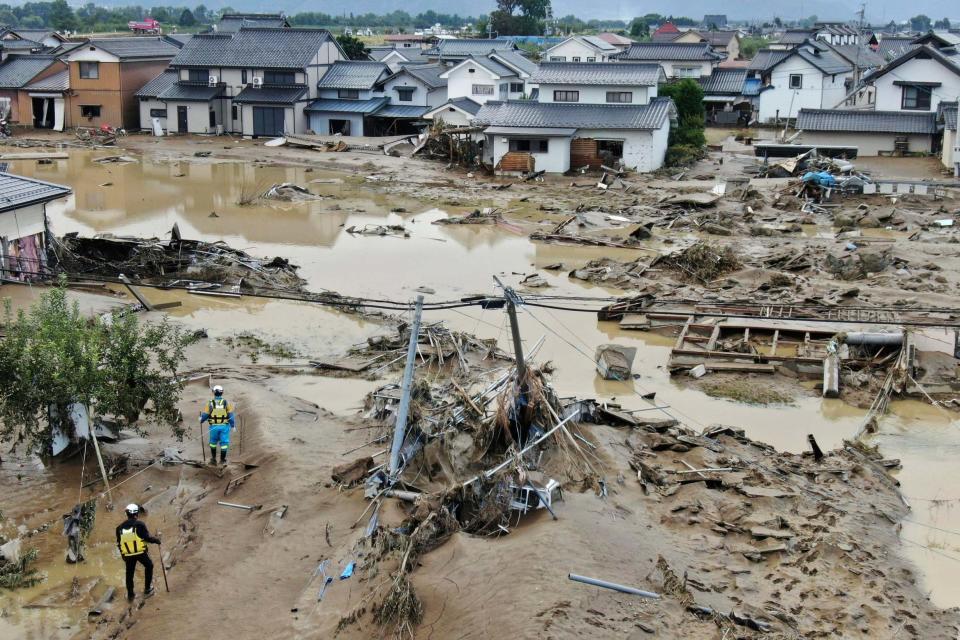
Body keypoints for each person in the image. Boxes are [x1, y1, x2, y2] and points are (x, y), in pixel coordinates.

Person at [116, 504, 161, 602]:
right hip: (140, 552)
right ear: (136, 513)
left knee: (129, 574)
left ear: (127, 514)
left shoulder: (119, 528)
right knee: (149, 566)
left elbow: (119, 544)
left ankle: (130, 595)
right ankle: (147, 589)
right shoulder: (140, 524)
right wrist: (157, 540)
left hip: (128, 555)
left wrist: (123, 555)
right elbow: (147, 538)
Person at [200, 384, 235, 464]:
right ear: (222, 392)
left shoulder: (210, 403)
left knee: (213, 442)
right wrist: (233, 425)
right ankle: (222, 460)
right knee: (224, 443)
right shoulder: (226, 403)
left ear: (213, 392)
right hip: (224, 427)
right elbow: (230, 416)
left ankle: (213, 459)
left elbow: (205, 415)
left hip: (213, 427)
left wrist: (201, 420)